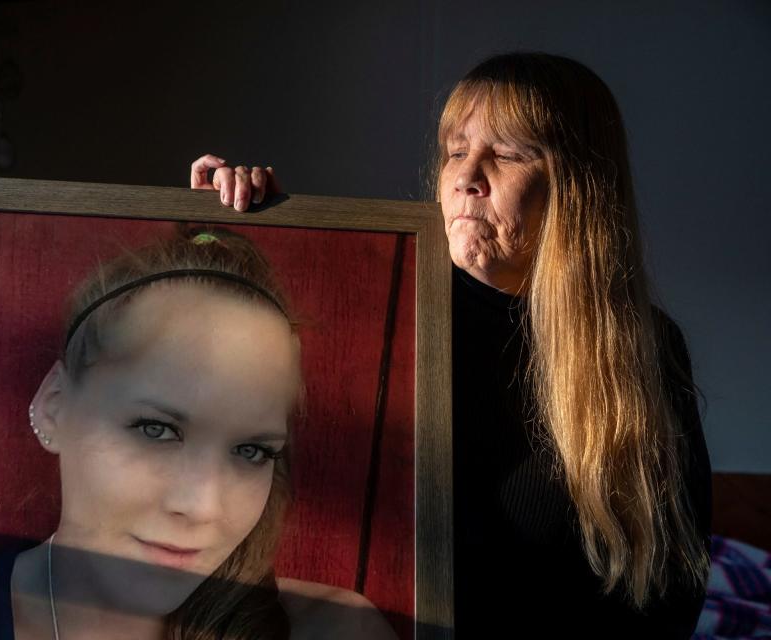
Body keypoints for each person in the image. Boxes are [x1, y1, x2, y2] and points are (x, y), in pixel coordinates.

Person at [190, 52, 712, 638]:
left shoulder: (644, 345)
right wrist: (254, 237)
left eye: (509, 152)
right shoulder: (381, 309)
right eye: (455, 151)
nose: (467, 175)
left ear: (580, 182)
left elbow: (669, 589)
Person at [0, 227, 397, 639]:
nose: (202, 506)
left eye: (251, 450)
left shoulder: (332, 630)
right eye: (156, 429)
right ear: (54, 405)